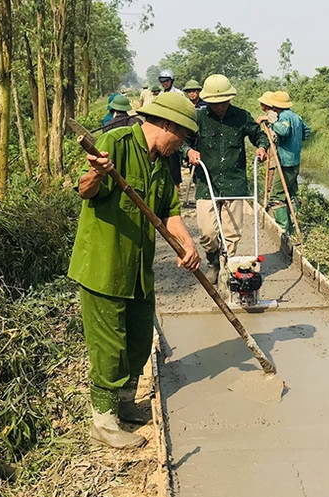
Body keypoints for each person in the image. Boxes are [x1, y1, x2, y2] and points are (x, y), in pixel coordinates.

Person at [68, 92, 201, 449]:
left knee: (139, 339)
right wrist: (97, 173)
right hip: (105, 267)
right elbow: (85, 190)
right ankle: (103, 421)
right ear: (168, 125)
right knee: (109, 346)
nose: (182, 144)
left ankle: (126, 403)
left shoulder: (162, 163)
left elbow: (169, 212)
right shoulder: (117, 143)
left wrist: (188, 245)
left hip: (138, 269)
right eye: (182, 136)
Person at [183, 74, 269, 283]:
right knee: (207, 233)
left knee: (232, 232)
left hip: (234, 182)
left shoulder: (241, 116)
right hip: (207, 182)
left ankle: (225, 266)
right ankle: (213, 260)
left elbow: (259, 134)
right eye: (215, 103)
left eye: (223, 102)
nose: (220, 107)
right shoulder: (199, 118)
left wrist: (261, 147)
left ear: (230, 98)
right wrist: (188, 151)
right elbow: (181, 139)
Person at [256, 91, 310, 234]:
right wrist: (295, 141)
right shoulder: (296, 117)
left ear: (275, 106)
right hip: (295, 161)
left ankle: (283, 228)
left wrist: (270, 122)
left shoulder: (284, 117)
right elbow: (306, 132)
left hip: (285, 162)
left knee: (276, 196)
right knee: (291, 192)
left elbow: (284, 131)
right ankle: (292, 224)